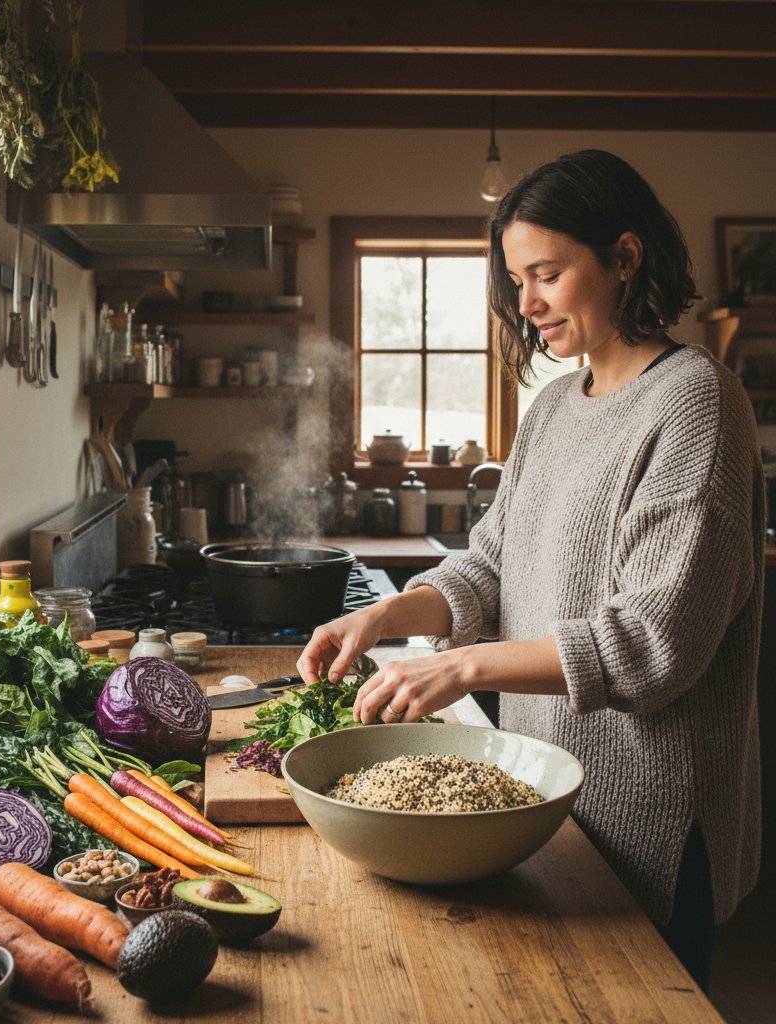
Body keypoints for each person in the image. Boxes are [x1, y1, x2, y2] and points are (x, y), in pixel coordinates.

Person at [297, 149, 763, 993]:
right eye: (516, 281)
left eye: (546, 274)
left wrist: (462, 664)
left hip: (649, 820)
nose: (527, 304)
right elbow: (489, 568)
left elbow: (655, 643)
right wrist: (384, 619)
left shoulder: (695, 401)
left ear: (624, 257)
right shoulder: (552, 407)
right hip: (537, 801)